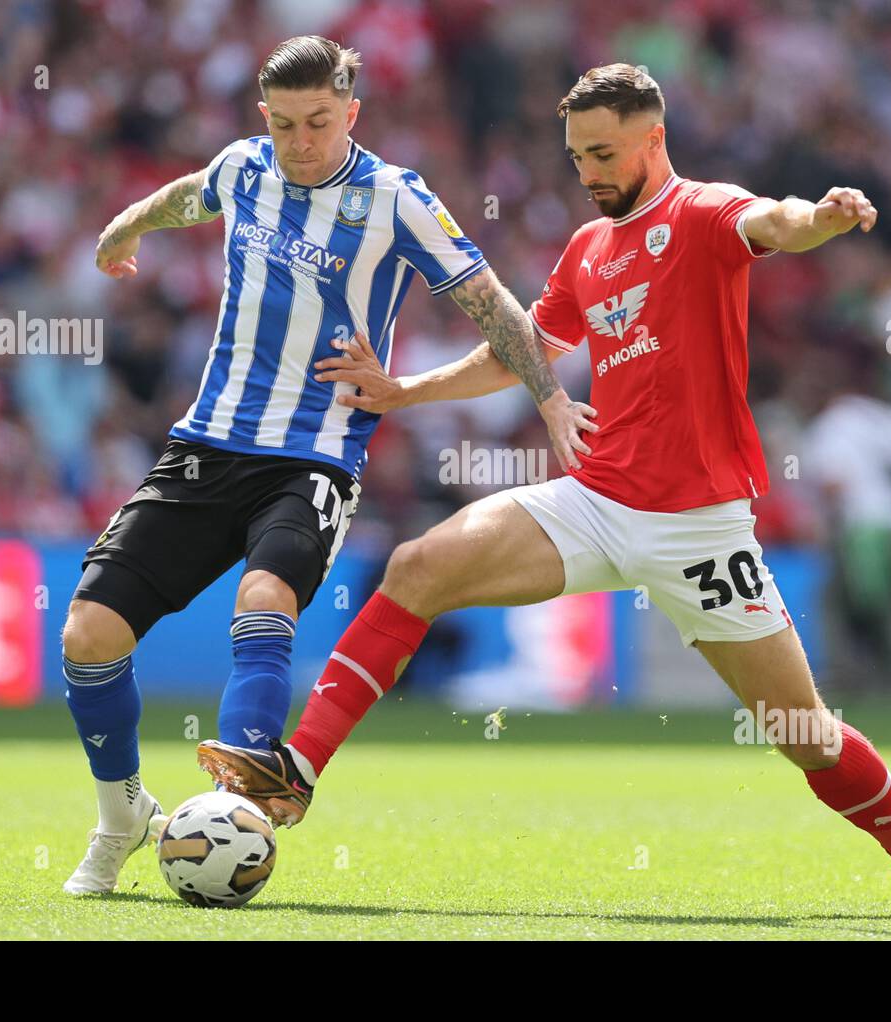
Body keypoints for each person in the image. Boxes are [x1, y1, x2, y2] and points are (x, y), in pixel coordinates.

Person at [198, 64, 891, 917]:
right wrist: (405, 391)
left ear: (652, 140)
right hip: (593, 501)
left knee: (802, 733)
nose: (589, 172)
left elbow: (772, 221)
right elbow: (518, 350)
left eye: (603, 153)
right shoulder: (587, 249)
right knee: (417, 567)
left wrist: (818, 217)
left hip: (700, 530)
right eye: (576, 156)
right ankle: (296, 772)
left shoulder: (701, 213)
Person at [60, 36, 593, 895]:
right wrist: (123, 226)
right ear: (262, 118)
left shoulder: (395, 199)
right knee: (88, 634)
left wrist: (550, 399)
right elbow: (189, 196)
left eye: (317, 122)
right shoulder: (245, 168)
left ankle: (240, 787)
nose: (299, 141)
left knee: (264, 592)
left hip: (314, 452)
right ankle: (122, 812)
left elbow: (492, 305)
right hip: (206, 443)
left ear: (351, 113)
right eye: (282, 124)